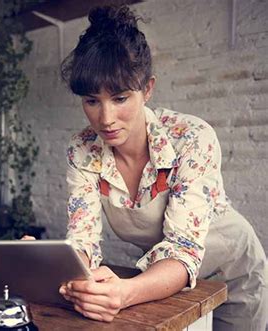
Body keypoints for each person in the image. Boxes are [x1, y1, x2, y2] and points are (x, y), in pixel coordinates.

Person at [57, 5, 268, 330]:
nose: (106, 118)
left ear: (147, 89)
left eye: (120, 98)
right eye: (91, 101)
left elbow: (182, 247)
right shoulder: (82, 149)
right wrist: (65, 267)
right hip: (162, 277)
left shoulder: (192, 139)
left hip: (233, 275)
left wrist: (125, 292)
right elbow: (83, 238)